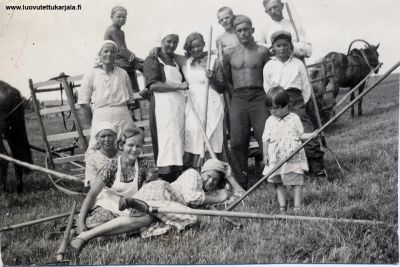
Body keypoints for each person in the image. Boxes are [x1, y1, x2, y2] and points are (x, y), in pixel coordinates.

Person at [70, 125, 157, 253]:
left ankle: (88, 234)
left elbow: (153, 189)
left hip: (131, 206)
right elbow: (92, 194)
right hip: (109, 204)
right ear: (121, 146)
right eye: (130, 145)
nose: (134, 149)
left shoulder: (145, 165)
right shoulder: (112, 167)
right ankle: (82, 228)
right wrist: (81, 220)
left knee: (148, 218)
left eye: (138, 146)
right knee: (109, 221)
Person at [121, 158, 244, 238]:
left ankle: (128, 221)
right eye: (208, 175)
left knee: (144, 222)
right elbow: (191, 198)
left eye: (215, 179)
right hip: (160, 192)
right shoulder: (193, 174)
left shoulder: (206, 194)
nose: (210, 181)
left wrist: (230, 177)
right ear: (202, 172)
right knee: (192, 217)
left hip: (167, 205)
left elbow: (241, 195)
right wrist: (218, 199)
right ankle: (131, 206)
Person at [263, 31, 326, 176]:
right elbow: (267, 87)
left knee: (306, 131)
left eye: (285, 45)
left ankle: (317, 167)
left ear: (290, 46)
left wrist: (299, 104)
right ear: (273, 48)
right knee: (283, 134)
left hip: (296, 100)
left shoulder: (298, 64)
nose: (282, 48)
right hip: (277, 101)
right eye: (279, 46)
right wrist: (275, 103)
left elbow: (306, 87)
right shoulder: (269, 66)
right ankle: (288, 169)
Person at [222, 15, 270, 190]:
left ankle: (273, 174)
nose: (243, 33)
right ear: (235, 32)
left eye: (246, 29)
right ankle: (241, 180)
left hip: (259, 95)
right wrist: (234, 95)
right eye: (239, 30)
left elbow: (270, 74)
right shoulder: (229, 54)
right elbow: (227, 78)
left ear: (252, 30)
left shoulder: (262, 52)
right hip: (238, 97)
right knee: (237, 140)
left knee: (266, 136)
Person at [142, 33, 189, 182]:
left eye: (175, 42)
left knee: (179, 139)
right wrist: (179, 86)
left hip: (179, 105)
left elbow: (188, 59)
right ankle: (166, 178)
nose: (171, 45)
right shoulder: (153, 59)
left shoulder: (175, 60)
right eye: (169, 41)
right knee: (167, 140)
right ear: (161, 40)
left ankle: (180, 176)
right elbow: (154, 85)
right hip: (163, 106)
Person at [263, 87, 316, 212]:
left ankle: (297, 206)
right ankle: (283, 206)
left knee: (296, 181)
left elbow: (300, 135)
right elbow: (265, 138)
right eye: (270, 108)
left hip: (293, 156)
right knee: (278, 182)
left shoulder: (294, 118)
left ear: (286, 106)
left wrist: (311, 135)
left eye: (276, 108)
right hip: (276, 158)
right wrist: (265, 154)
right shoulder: (270, 121)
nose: (273, 111)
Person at [77, 40, 136, 150]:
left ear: (116, 54)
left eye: (112, 52)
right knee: (101, 153)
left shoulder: (123, 73)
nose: (109, 54)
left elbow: (130, 101)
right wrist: (93, 126)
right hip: (101, 119)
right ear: (100, 54)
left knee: (127, 151)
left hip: (123, 119)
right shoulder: (91, 74)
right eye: (106, 51)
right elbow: (83, 104)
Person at [181, 32, 225, 169]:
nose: (196, 49)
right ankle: (196, 170)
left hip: (211, 102)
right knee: (194, 133)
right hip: (194, 103)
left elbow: (222, 88)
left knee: (212, 136)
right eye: (192, 47)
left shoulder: (214, 62)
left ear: (204, 45)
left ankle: (215, 170)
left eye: (198, 46)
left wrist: (212, 78)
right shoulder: (186, 63)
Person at [84, 121, 119, 188]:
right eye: (103, 136)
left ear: (115, 136)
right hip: (104, 192)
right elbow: (93, 184)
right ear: (97, 138)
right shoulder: (92, 158)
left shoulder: (122, 153)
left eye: (110, 135)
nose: (107, 139)